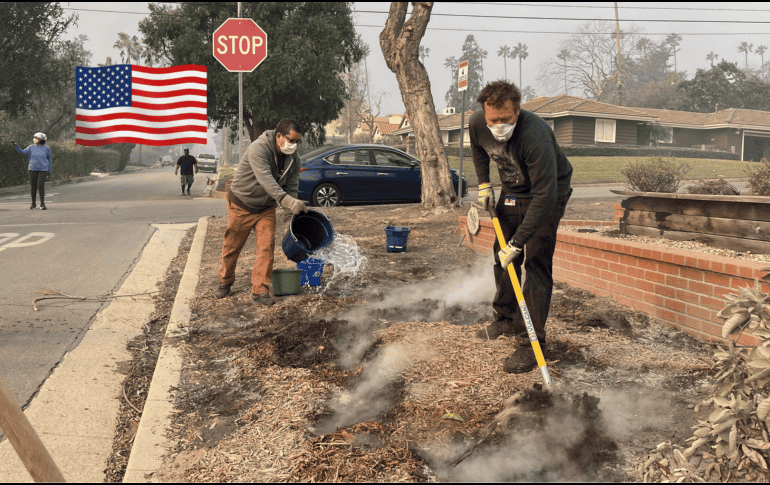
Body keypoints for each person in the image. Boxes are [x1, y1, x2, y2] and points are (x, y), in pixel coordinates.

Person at [470, 80, 573, 374]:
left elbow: (545, 196)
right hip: (513, 191)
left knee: (536, 262)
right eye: (494, 120)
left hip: (549, 194)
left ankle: (531, 344)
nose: (499, 126)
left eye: (506, 120)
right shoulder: (478, 123)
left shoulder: (535, 136)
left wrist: (518, 243)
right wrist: (485, 185)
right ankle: (505, 318)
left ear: (517, 111)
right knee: (501, 257)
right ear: (484, 112)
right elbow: (479, 150)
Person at [217, 119, 307, 302]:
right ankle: (225, 282)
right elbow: (266, 180)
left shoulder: (293, 158)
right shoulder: (259, 148)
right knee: (232, 247)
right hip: (242, 204)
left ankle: (260, 290)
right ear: (279, 136)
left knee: (266, 248)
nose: (294, 146)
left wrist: (290, 216)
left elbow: (292, 185)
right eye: (291, 141)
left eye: (297, 142)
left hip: (266, 208)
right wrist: (288, 201)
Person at [10, 132, 52, 210]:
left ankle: (42, 204)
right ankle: (33, 204)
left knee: (40, 186)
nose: (34, 139)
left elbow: (49, 159)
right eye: (34, 137)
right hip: (32, 169)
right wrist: (16, 146)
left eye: (36, 138)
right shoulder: (31, 147)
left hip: (43, 170)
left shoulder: (47, 148)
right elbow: (23, 153)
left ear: (41, 139)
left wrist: (49, 170)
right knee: (33, 187)